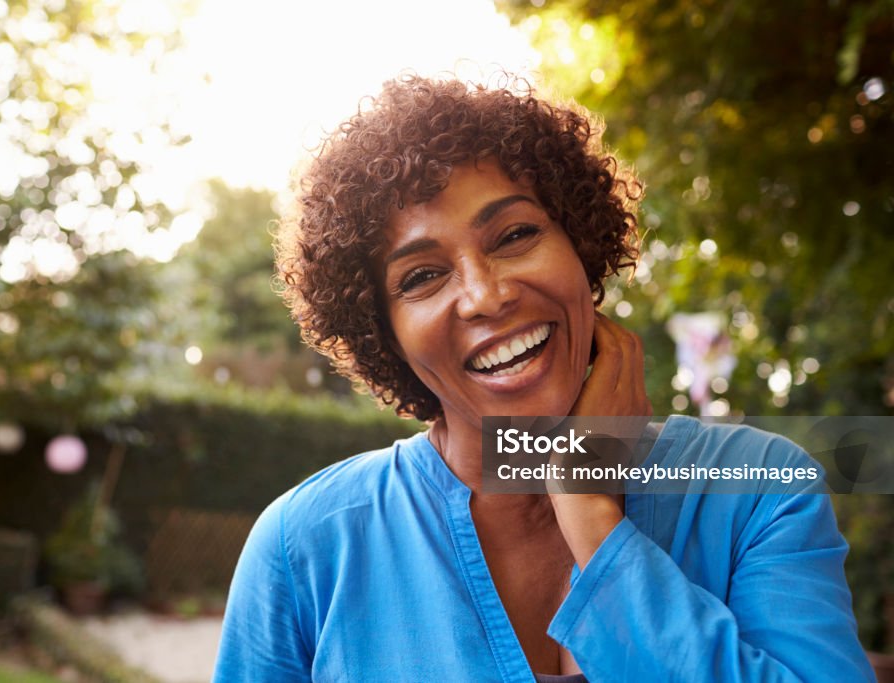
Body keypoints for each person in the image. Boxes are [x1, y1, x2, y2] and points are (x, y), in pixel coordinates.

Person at [212, 74, 875, 682]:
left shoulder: (758, 491)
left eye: (514, 234)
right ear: (384, 335)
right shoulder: (305, 548)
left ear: (582, 247)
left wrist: (589, 510)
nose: (484, 294)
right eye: (421, 276)